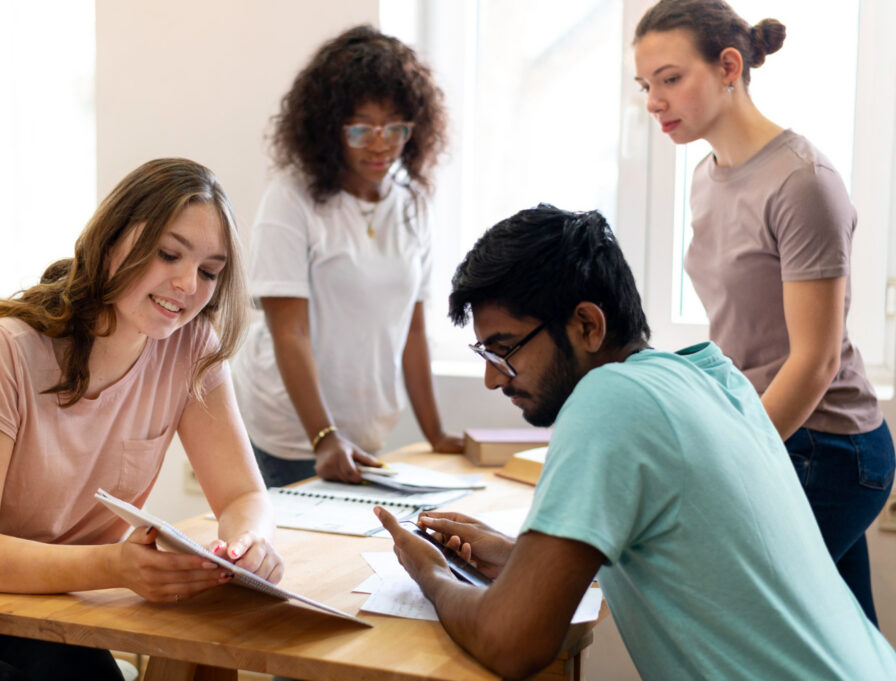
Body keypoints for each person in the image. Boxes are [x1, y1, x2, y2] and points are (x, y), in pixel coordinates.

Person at [376, 205, 896, 681]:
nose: (495, 380)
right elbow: (701, 565)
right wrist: (521, 562)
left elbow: (512, 643)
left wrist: (432, 574)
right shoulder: (715, 379)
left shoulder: (609, 399)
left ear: (586, 325)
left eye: (505, 350)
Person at [0, 158, 283, 681]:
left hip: (38, 604)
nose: (187, 284)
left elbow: (243, 496)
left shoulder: (190, 349)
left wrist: (249, 547)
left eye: (208, 271)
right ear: (111, 240)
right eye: (168, 254)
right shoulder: (3, 345)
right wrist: (114, 567)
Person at [632, 0, 895, 624]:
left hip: (827, 450)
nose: (653, 102)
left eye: (670, 79)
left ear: (729, 67)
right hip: (776, 431)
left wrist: (733, 455)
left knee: (734, 622)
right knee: (840, 644)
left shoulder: (802, 182)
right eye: (646, 86)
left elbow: (816, 359)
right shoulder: (706, 174)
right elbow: (741, 333)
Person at [234, 25, 463, 487]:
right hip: (289, 431)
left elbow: (413, 329)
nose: (380, 144)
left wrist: (434, 432)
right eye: (361, 128)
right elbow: (289, 332)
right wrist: (323, 436)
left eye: (395, 127)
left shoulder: (413, 205)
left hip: (363, 431)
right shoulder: (291, 199)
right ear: (328, 127)